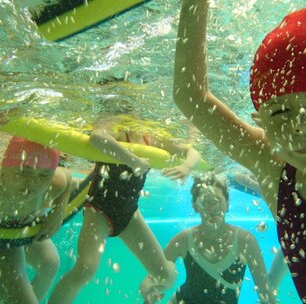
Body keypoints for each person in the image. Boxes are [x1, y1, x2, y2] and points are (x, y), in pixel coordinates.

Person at [173, 2, 306, 303]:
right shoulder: (273, 166)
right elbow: (192, 98)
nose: (301, 125)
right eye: (279, 111)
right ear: (261, 123)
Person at [48, 96, 202, 304]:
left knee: (166, 276)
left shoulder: (150, 137)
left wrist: (187, 167)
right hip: (99, 210)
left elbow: (191, 152)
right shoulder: (117, 126)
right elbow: (97, 137)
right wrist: (133, 160)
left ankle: (148, 287)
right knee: (85, 269)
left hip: (129, 214)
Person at [0, 136, 73, 304]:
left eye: (45, 175)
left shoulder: (52, 186)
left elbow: (68, 178)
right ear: (4, 167)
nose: (32, 182)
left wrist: (58, 213)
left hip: (8, 240)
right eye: (24, 172)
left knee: (47, 266)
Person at [161, 173, 275, 303]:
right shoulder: (183, 240)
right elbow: (155, 276)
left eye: (217, 201)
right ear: (195, 207)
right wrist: (152, 287)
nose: (212, 208)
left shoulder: (245, 241)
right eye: (205, 202)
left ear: (227, 205)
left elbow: (265, 293)